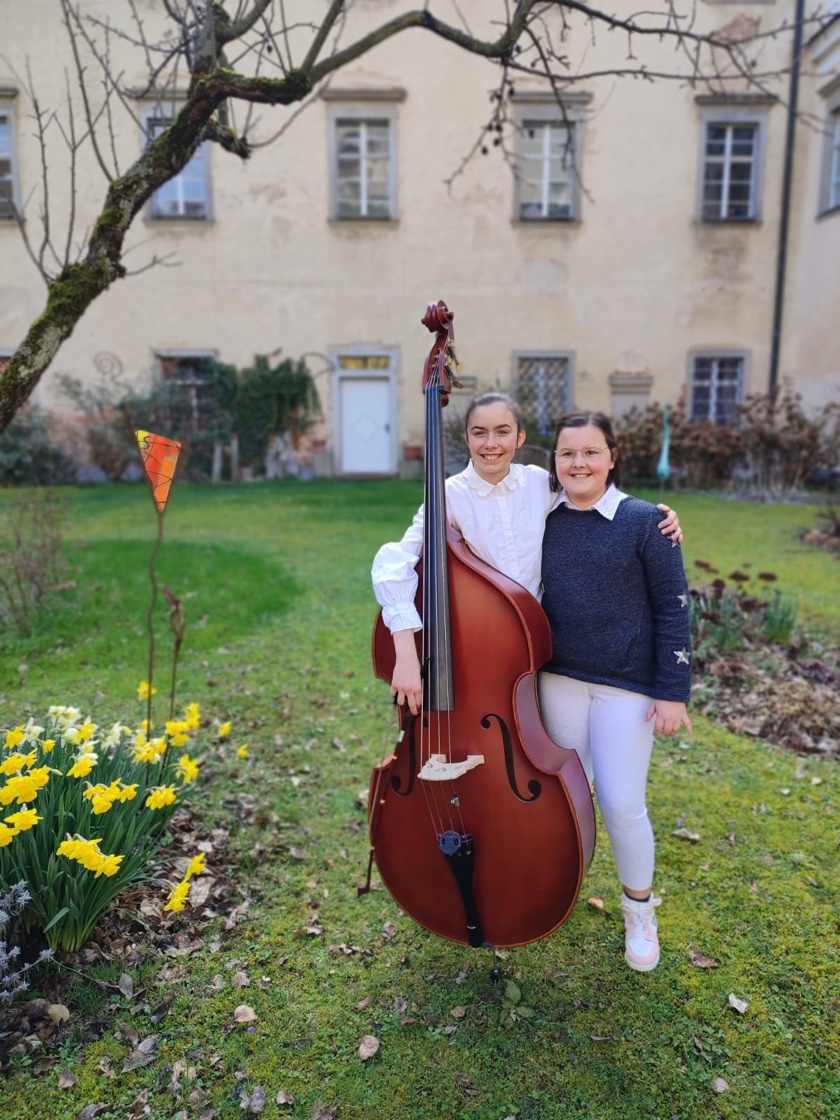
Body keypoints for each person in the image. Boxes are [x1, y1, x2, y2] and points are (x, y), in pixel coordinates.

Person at [372, 392, 681, 717]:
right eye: (479, 432)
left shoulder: (540, 483)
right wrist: (406, 654)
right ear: (466, 438)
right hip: (471, 639)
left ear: (520, 437)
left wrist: (650, 515)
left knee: (530, 732)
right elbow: (397, 560)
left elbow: (590, 489)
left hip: (534, 643)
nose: (491, 443)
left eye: (502, 431)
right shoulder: (449, 494)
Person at [538, 410, 692, 972]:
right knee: (560, 801)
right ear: (554, 460)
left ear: (612, 457)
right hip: (559, 680)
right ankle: (557, 892)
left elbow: (673, 610)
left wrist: (673, 691)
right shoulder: (543, 517)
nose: (578, 463)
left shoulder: (647, 522)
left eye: (590, 452)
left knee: (623, 802)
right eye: (567, 453)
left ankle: (639, 912)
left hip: (626, 686)